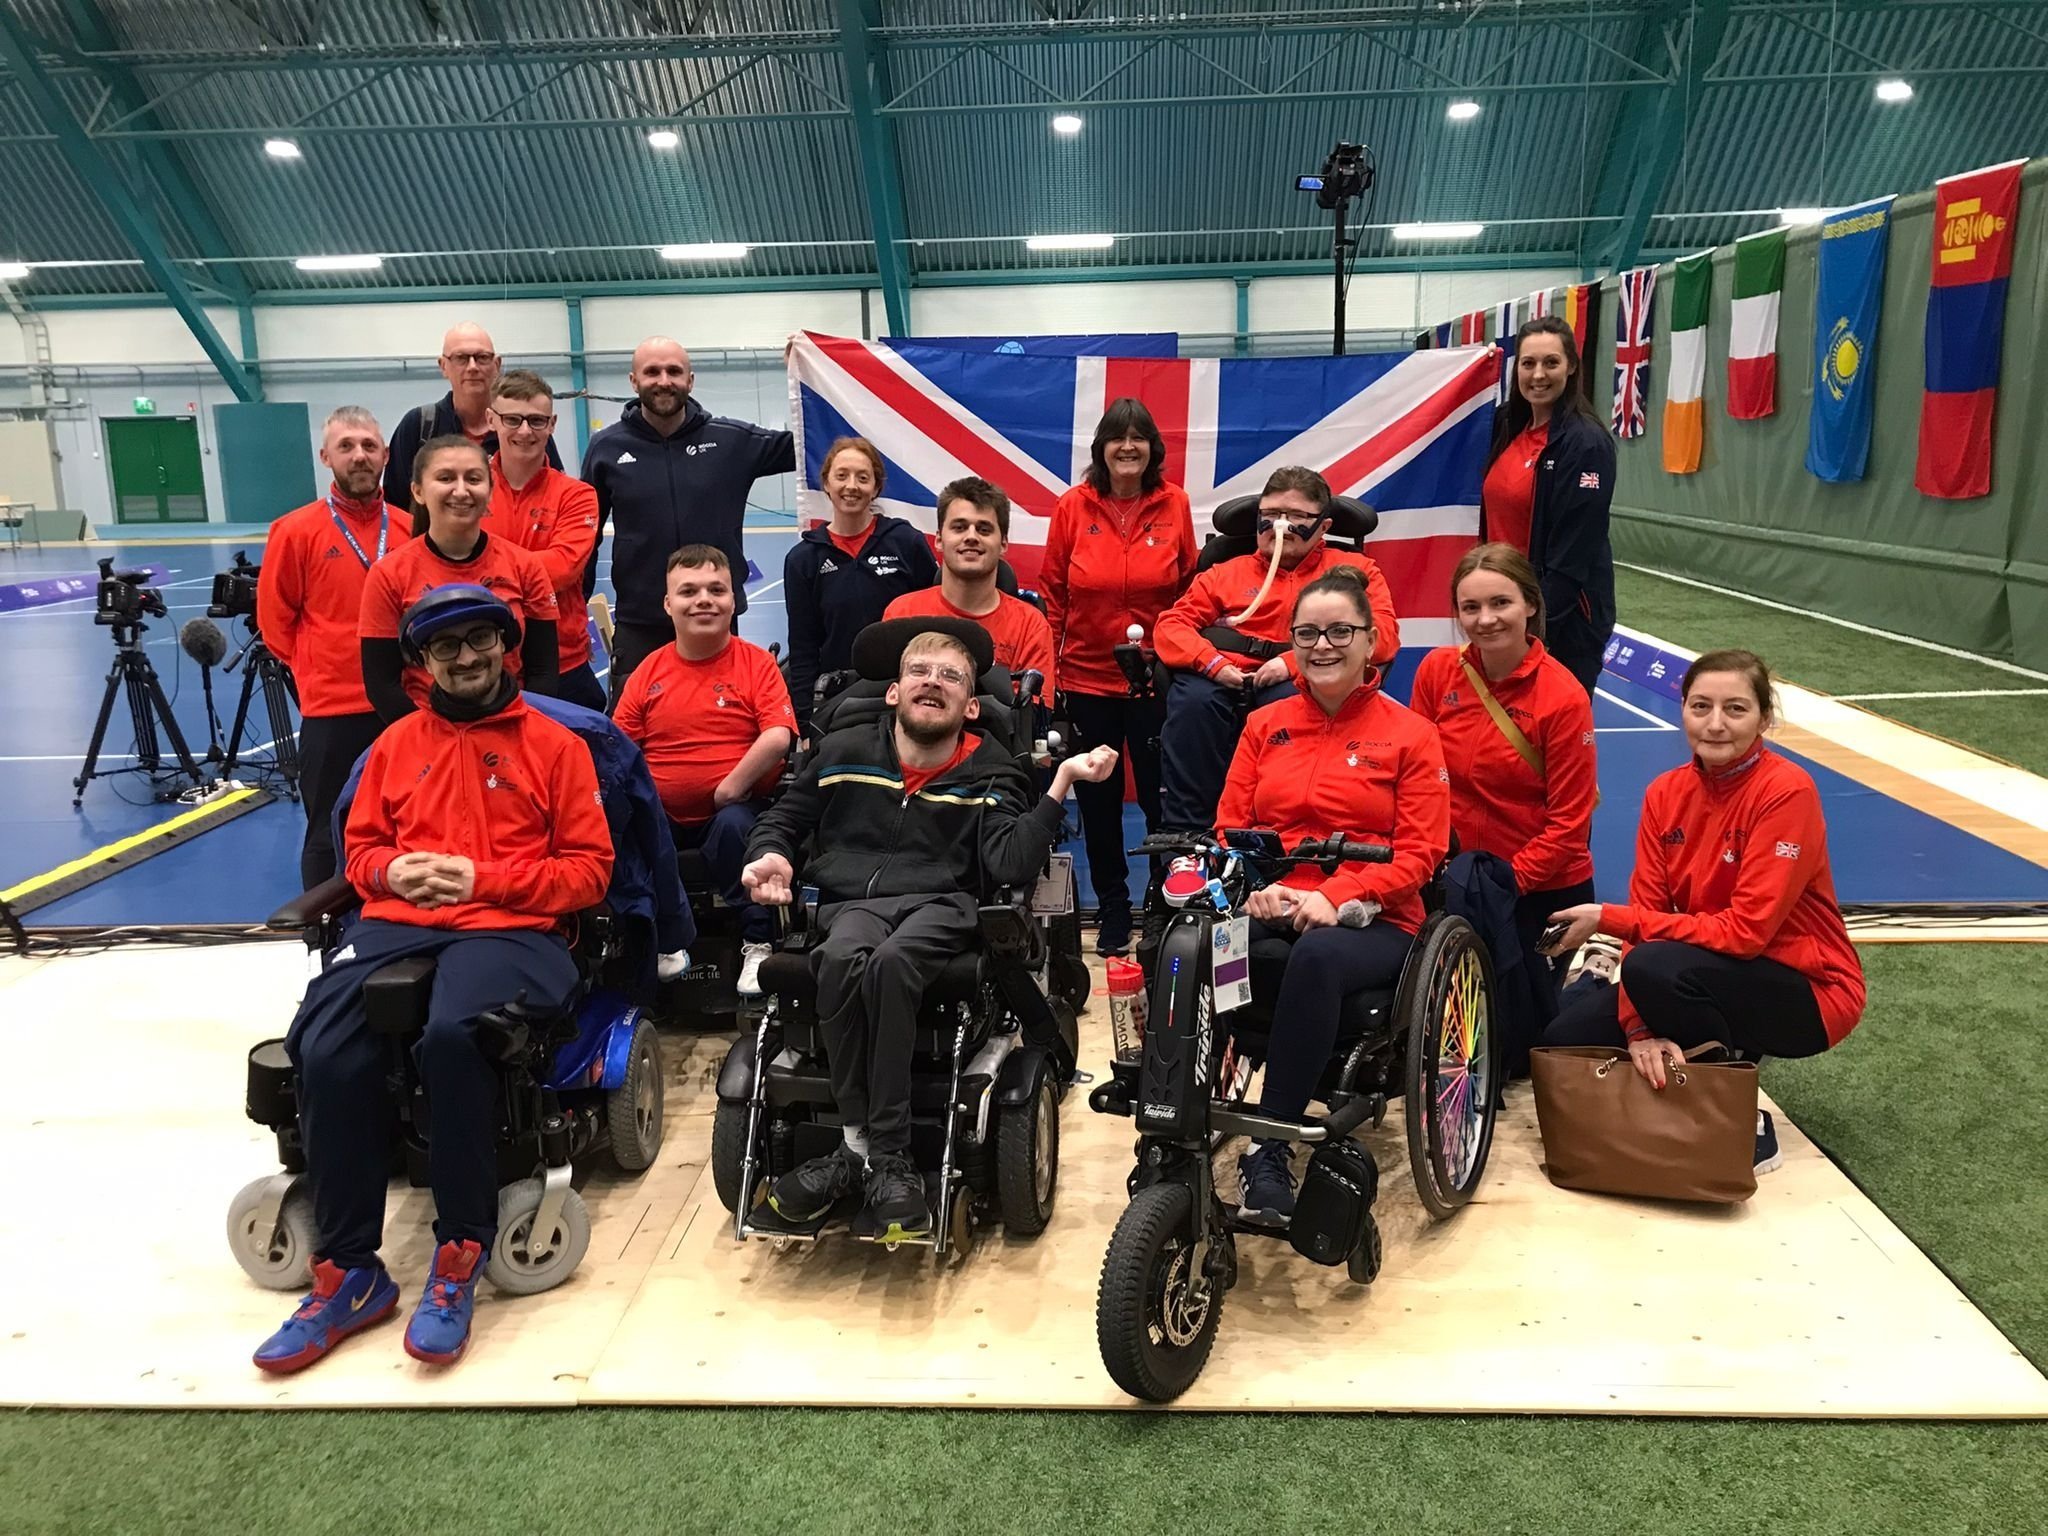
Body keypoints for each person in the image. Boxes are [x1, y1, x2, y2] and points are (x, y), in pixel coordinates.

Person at [252, 585, 612, 1374]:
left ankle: (459, 1254)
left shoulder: (557, 746)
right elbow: (361, 854)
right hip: (396, 925)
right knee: (326, 1044)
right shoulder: (393, 746)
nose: (466, 657)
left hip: (515, 929)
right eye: (445, 648)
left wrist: (478, 878)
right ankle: (349, 1271)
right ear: (422, 664)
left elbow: (587, 874)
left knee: (455, 1037)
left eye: (480, 639)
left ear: (505, 646)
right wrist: (395, 867)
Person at [740, 626, 1119, 1240]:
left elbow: (1011, 864)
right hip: (852, 901)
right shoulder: (842, 753)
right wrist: (772, 855)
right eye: (920, 671)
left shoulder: (993, 768)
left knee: (891, 963)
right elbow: (784, 819)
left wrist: (1062, 782)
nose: (932, 683)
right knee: (839, 957)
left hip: (943, 906)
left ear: (971, 706)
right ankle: (866, 1151)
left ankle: (875, 1152)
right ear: (894, 691)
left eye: (950, 677)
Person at [1540, 649, 1865, 1174]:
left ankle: (1737, 1116)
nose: (1715, 724)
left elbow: (1744, 935)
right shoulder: (1665, 792)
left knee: (1656, 968)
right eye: (1700, 706)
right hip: (1696, 966)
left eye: (1735, 709)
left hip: (1809, 990)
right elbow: (1648, 911)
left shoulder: (1786, 792)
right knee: (1563, 1040)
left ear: (1765, 718)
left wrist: (1608, 918)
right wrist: (1642, 1030)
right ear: (1682, 711)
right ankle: (1671, 1074)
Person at [1214, 565, 1449, 1227]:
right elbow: (1232, 825)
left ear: (1371, 640)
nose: (1322, 646)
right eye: (1308, 633)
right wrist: (1260, 887)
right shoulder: (1266, 726)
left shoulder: (1410, 734)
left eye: (1339, 631)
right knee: (1202, 943)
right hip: (1279, 901)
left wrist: (1340, 894)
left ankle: (1271, 1142)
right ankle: (1195, 1099)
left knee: (1315, 958)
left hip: (1379, 918)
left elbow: (1421, 852)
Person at [1410, 543, 1597, 1053]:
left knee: (1518, 1050)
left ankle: (1594, 984)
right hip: (1460, 880)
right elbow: (1419, 778)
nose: (1486, 619)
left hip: (1539, 886)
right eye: (1471, 608)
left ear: (1530, 605)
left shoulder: (1563, 697)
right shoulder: (1436, 672)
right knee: (1456, 1041)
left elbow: (1570, 823)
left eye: (1501, 603)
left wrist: (1507, 883)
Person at [1154, 465, 1400, 834]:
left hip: (1303, 678)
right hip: (1225, 676)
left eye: (1297, 516)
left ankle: (1282, 832)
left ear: (1324, 527)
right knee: (1193, 703)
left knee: (1291, 705)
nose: (1280, 526)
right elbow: (1171, 626)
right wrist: (1212, 663)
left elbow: (1382, 636)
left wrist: (1292, 664)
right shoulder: (1225, 573)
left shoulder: (1354, 572)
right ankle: (1186, 838)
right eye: (1269, 515)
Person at [1041, 398, 1198, 956]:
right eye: (1117, 437)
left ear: (1153, 448)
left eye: (1139, 437)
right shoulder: (1073, 506)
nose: (1127, 447)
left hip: (1156, 682)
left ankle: (1160, 905)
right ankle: (1111, 909)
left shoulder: (1174, 503)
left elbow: (1189, 595)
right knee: (1100, 807)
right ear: (1101, 448)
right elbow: (1054, 597)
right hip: (1086, 681)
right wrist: (1051, 676)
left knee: (1163, 803)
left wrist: (1176, 658)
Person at [613, 546, 795, 997]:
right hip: (663, 815)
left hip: (731, 809)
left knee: (737, 829)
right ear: (668, 604)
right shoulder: (647, 673)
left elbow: (777, 736)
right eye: (688, 591)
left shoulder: (756, 664)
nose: (704, 601)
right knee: (620, 826)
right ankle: (661, 939)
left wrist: (731, 788)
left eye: (717, 590)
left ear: (734, 600)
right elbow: (618, 750)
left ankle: (758, 942)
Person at [582, 336, 796, 698]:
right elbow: (585, 538)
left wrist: (803, 374)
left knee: (722, 719)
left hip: (715, 616)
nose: (664, 380)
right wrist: (574, 613)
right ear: (634, 381)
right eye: (652, 372)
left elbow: (810, 444)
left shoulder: (731, 440)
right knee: (636, 734)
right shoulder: (606, 448)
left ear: (690, 380)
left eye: (674, 372)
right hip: (640, 622)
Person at [258, 406, 412, 889]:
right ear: (326, 457)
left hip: (404, 706)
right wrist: (320, 665)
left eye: (368, 446)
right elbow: (275, 622)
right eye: (346, 446)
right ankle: (321, 940)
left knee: (407, 827)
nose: (359, 456)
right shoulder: (295, 531)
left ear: (385, 454)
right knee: (328, 831)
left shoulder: (411, 529)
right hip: (332, 711)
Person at [359, 437, 560, 722]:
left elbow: (544, 671)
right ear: (418, 491)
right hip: (428, 730)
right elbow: (382, 685)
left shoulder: (525, 566)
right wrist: (431, 738)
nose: (461, 490)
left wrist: (521, 727)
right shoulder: (388, 574)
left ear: (490, 492)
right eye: (445, 478)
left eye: (474, 479)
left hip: (512, 723)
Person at [1481, 315, 1616, 694]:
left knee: (1553, 739)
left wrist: (1532, 628)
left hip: (1558, 623)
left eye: (1551, 363)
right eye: (1528, 363)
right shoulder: (1507, 425)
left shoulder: (1586, 444)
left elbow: (1572, 557)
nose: (1538, 375)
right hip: (1502, 613)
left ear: (1572, 367)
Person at [782, 435, 938, 730]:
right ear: (826, 483)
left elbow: (933, 620)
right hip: (837, 701)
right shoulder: (803, 559)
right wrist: (805, 722)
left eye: (862, 478)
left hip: (905, 694)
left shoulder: (906, 543)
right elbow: (803, 647)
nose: (851, 486)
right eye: (841, 476)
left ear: (876, 487)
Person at [481, 369, 604, 710]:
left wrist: (483, 569)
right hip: (485, 663)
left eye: (536, 421)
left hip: (565, 664)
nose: (524, 431)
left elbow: (561, 570)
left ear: (551, 424)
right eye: (512, 419)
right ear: (492, 420)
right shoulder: (470, 490)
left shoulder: (577, 495)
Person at [882, 476, 1054, 705]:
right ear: (939, 539)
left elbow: (1029, 718)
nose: (971, 537)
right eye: (959, 527)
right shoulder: (902, 613)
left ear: (1003, 543)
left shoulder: (1030, 626)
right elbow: (885, 703)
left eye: (984, 529)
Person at [381, 322, 562, 513]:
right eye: (461, 358)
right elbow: (395, 508)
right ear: (443, 366)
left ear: (497, 364)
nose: (473, 367)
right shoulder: (418, 427)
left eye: (482, 357)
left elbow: (552, 492)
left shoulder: (526, 431)